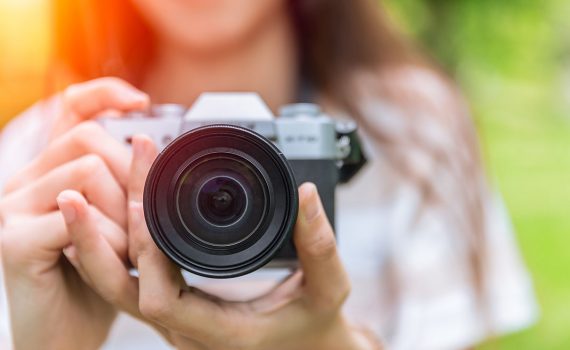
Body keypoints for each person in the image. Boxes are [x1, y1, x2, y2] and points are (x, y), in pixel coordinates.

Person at [0, 0, 538, 349]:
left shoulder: (408, 130)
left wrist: (329, 345)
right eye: (182, 164)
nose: (221, 194)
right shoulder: (48, 155)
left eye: (248, 175)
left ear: (331, 154)